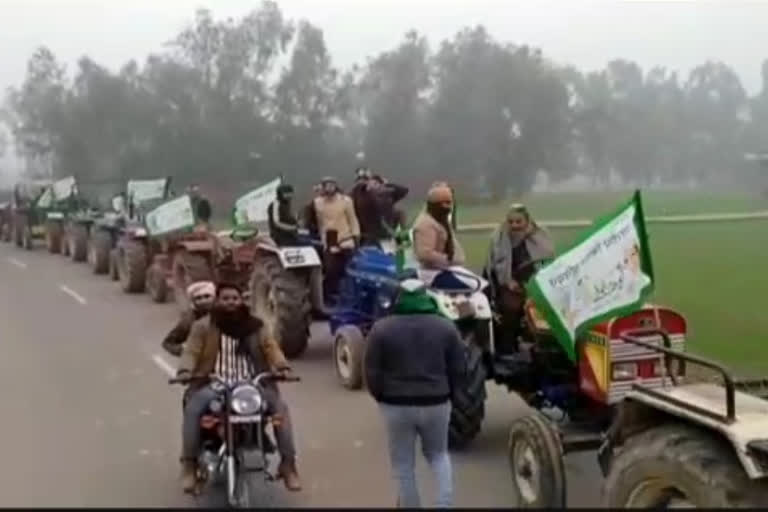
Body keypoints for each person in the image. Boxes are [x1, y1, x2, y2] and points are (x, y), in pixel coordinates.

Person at [176, 283, 302, 493]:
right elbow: (191, 351)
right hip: (215, 383)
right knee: (193, 410)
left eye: (234, 299)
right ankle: (189, 464)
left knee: (280, 411)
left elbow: (271, 347)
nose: (231, 303)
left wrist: (282, 367)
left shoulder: (256, 326)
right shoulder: (203, 326)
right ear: (217, 301)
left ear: (241, 301)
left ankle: (288, 465)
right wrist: (185, 371)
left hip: (252, 385)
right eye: (225, 299)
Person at [364, 278, 465, 508]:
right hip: (437, 402)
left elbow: (371, 371)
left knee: (403, 466)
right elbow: (459, 368)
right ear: (426, 297)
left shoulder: (382, 329)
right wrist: (451, 395)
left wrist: (381, 396)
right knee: (439, 457)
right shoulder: (446, 327)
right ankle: (444, 506)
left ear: (398, 299)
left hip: (396, 405)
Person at [484, 203, 555, 353]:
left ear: (527, 221)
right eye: (511, 222)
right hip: (509, 284)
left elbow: (547, 261)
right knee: (512, 308)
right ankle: (508, 348)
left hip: (536, 283)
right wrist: (509, 282)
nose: (514, 226)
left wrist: (535, 286)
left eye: (518, 221)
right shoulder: (499, 238)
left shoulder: (540, 235)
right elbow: (497, 266)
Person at [312, 177, 360, 298]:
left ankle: (350, 294)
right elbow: (318, 222)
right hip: (329, 239)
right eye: (326, 185)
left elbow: (352, 219)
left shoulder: (346, 201)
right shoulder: (318, 202)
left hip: (346, 238)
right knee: (330, 270)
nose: (330, 188)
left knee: (350, 269)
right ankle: (330, 295)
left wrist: (356, 235)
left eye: (332, 185)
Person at [412, 182, 465, 270]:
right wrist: (449, 260)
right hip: (434, 272)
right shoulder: (426, 223)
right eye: (446, 203)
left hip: (446, 268)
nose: (449, 207)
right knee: (474, 284)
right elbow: (425, 253)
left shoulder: (440, 220)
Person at [161, 281, 216, 357]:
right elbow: (168, 343)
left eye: (207, 296)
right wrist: (183, 350)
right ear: (193, 302)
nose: (203, 300)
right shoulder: (188, 321)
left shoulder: (225, 314)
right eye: (198, 298)